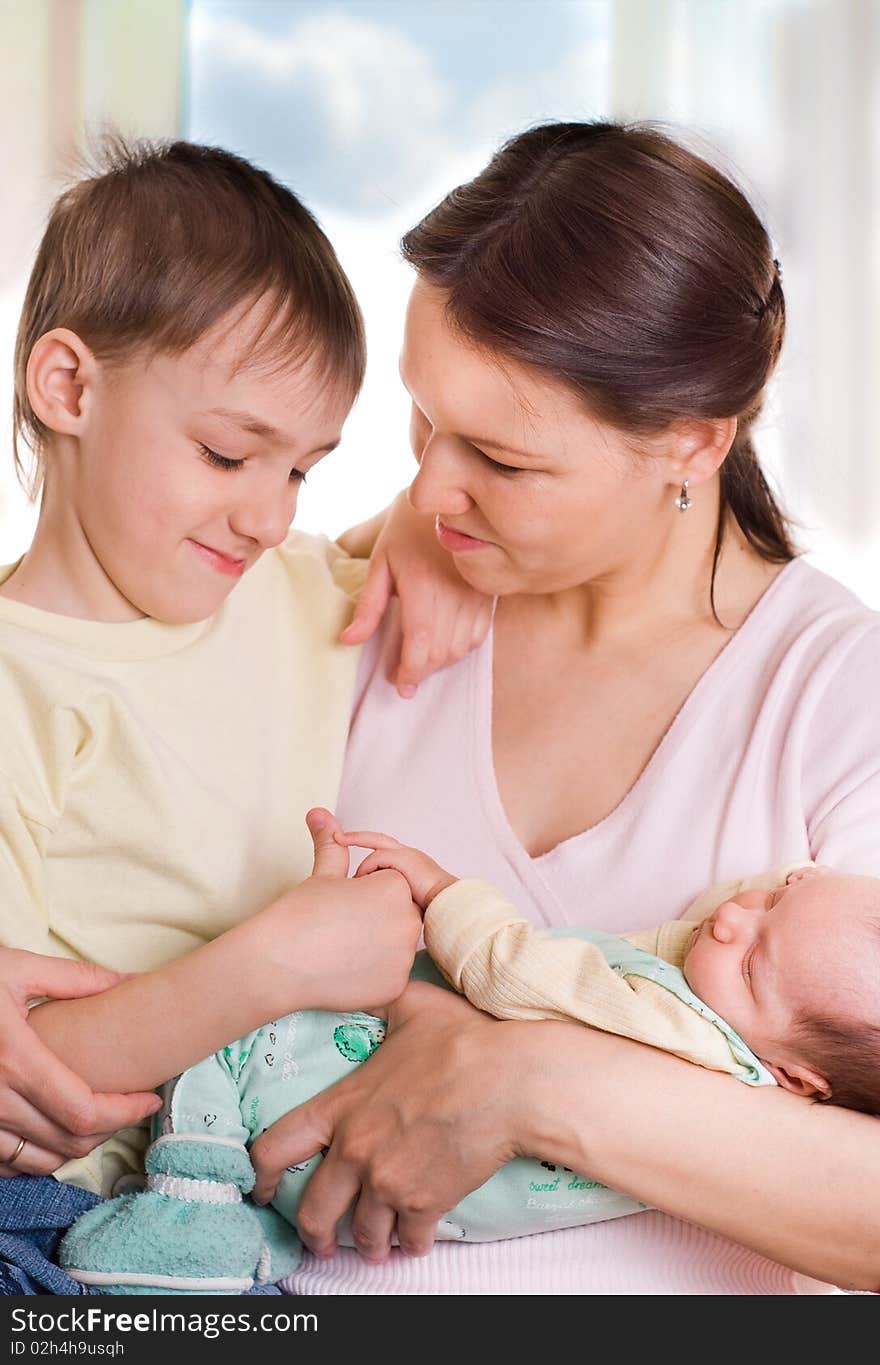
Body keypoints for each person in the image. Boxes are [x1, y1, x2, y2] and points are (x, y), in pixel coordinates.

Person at [246, 122, 880, 1296]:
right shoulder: (380, 598)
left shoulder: (837, 698)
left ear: (690, 442)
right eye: (423, 422)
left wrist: (528, 1082)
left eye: (502, 457)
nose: (433, 485)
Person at [0, 137, 486, 1294]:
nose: (268, 515)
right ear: (68, 387)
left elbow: (408, 527)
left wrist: (435, 534)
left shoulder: (284, 587)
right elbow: (34, 1079)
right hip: (55, 1208)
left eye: (302, 471)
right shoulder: (23, 682)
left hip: (230, 1198)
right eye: (228, 453)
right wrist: (270, 964)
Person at [55, 835, 880, 1294]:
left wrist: (448, 894)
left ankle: (191, 1203)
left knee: (237, 1060)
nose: (731, 919)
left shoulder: (678, 1023)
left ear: (799, 1082)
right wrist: (801, 898)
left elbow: (522, 972)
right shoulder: (765, 1039)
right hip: (334, 1251)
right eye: (768, 899)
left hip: (353, 1163)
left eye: (752, 960)